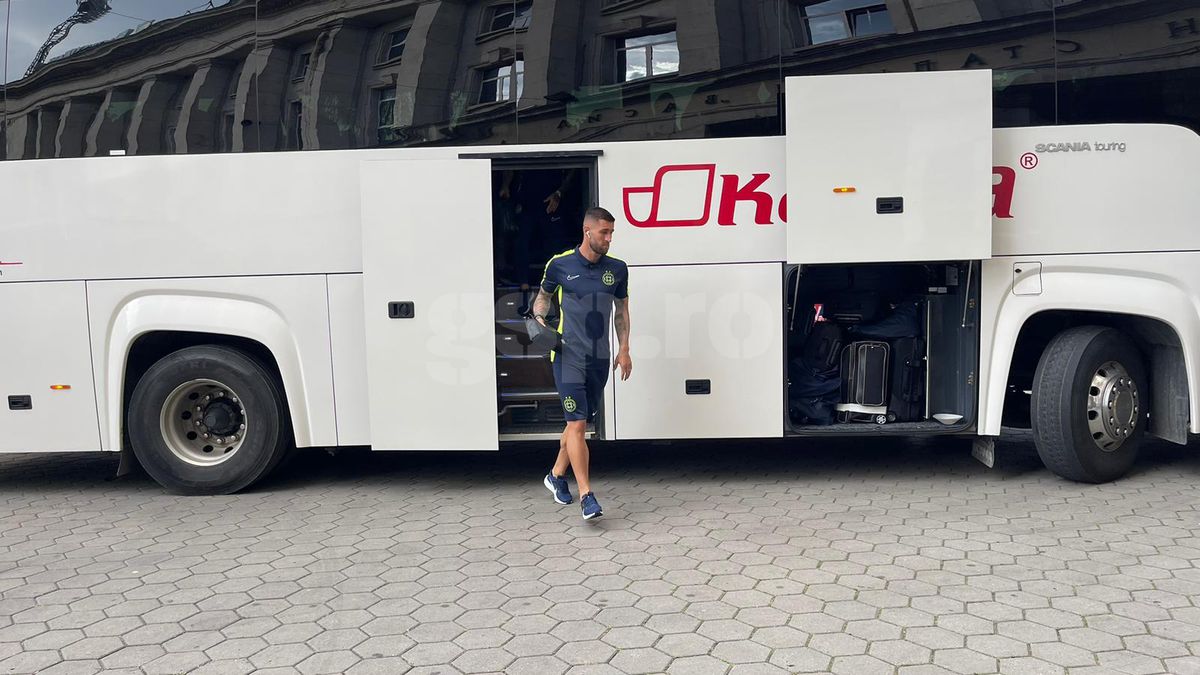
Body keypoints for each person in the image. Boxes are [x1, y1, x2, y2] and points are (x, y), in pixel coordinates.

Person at [531, 207, 631, 520]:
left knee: (579, 422)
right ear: (587, 231)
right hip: (567, 355)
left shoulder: (618, 268)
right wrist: (538, 319)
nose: (609, 239)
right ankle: (587, 495)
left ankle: (556, 476)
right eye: (604, 232)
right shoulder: (560, 265)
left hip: (600, 358)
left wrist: (625, 348)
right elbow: (543, 298)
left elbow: (622, 311)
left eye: (612, 233)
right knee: (577, 424)